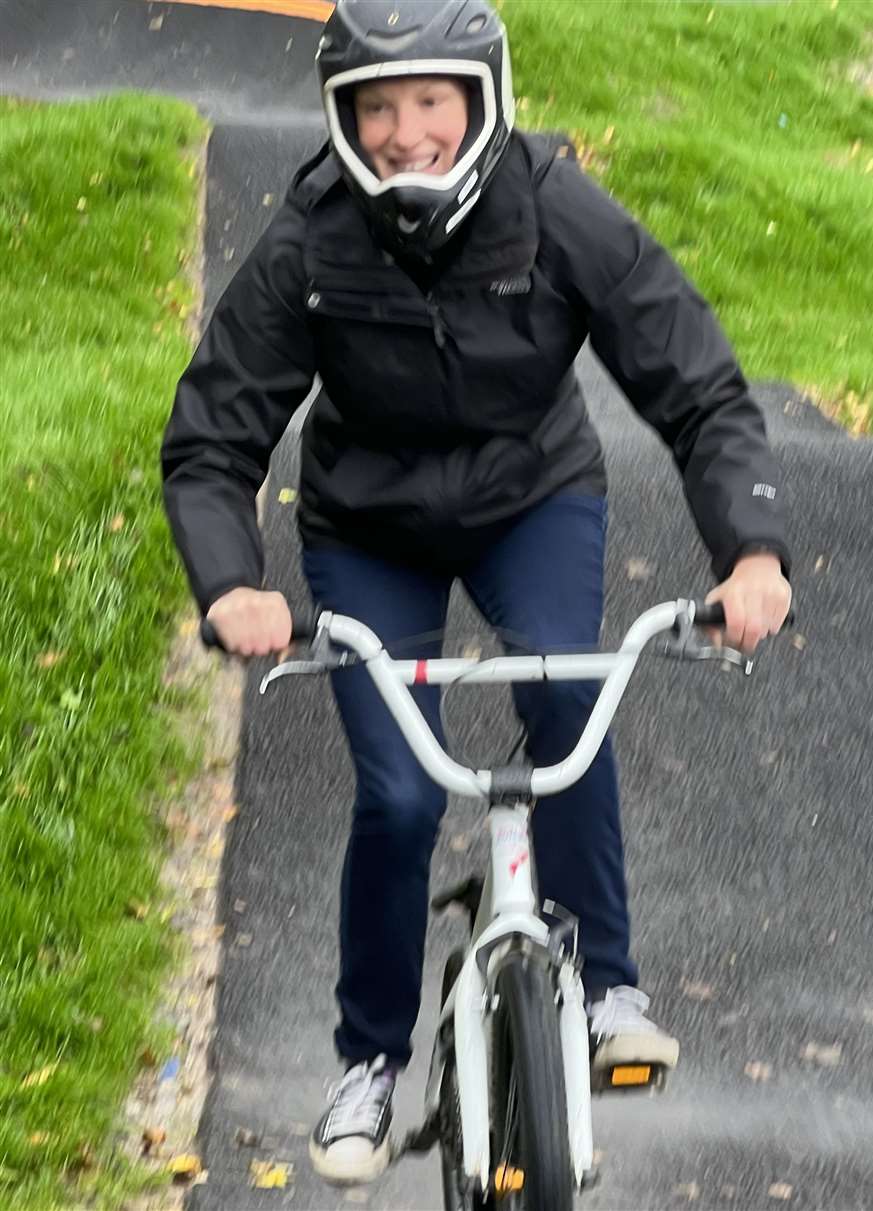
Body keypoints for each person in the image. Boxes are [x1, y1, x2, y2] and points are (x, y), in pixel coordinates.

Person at [161, 0, 792, 1188]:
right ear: (344, 117)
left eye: (430, 102)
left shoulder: (553, 206)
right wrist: (233, 585)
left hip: (531, 499)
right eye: (378, 107)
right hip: (367, 529)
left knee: (567, 693)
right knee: (399, 794)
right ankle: (368, 1060)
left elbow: (697, 382)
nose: (406, 133)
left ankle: (609, 990)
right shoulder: (311, 238)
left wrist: (751, 552)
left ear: (481, 99)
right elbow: (212, 438)